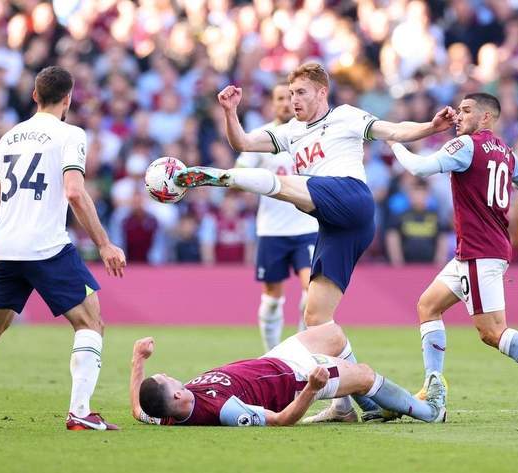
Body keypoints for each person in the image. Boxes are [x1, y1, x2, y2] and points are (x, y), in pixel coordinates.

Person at [174, 62, 455, 423]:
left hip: (351, 198)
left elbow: (394, 130)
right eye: (291, 93)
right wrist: (230, 111)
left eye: (301, 92)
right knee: (317, 319)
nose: (294, 100)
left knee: (284, 185)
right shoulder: (290, 132)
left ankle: (217, 177)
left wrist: (431, 127)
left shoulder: (345, 116)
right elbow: (242, 142)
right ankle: (356, 405)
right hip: (335, 226)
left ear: (322, 92)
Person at [0, 66, 126, 430]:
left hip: (7, 249)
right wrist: (104, 244)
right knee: (91, 323)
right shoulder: (70, 134)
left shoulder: (9, 138)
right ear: (68, 99)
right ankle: (80, 411)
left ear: (35, 96)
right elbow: (75, 192)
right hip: (47, 247)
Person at [387, 92, 518, 417]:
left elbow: (418, 168)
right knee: (428, 306)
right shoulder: (505, 151)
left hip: (479, 251)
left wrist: (394, 141)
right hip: (477, 250)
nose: (459, 116)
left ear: (486, 117)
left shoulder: (466, 146)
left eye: (466, 110)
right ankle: (433, 386)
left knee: (492, 332)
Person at [129, 323, 447, 426]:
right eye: (165, 378)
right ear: (176, 395)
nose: (167, 374)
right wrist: (312, 387)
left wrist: (137, 360)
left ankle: (365, 409)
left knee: (334, 334)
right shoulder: (224, 411)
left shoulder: (166, 412)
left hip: (274, 360)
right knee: (364, 376)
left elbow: (138, 410)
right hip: (295, 379)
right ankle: (430, 412)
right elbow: (281, 420)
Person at [236, 80, 319, 351]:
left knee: (312, 293)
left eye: (291, 97)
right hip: (272, 229)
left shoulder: (312, 134)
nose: (286, 103)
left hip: (307, 226)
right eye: (280, 98)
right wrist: (250, 179)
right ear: (272, 104)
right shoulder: (261, 137)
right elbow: (240, 171)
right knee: (272, 299)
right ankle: (272, 354)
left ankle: (301, 351)